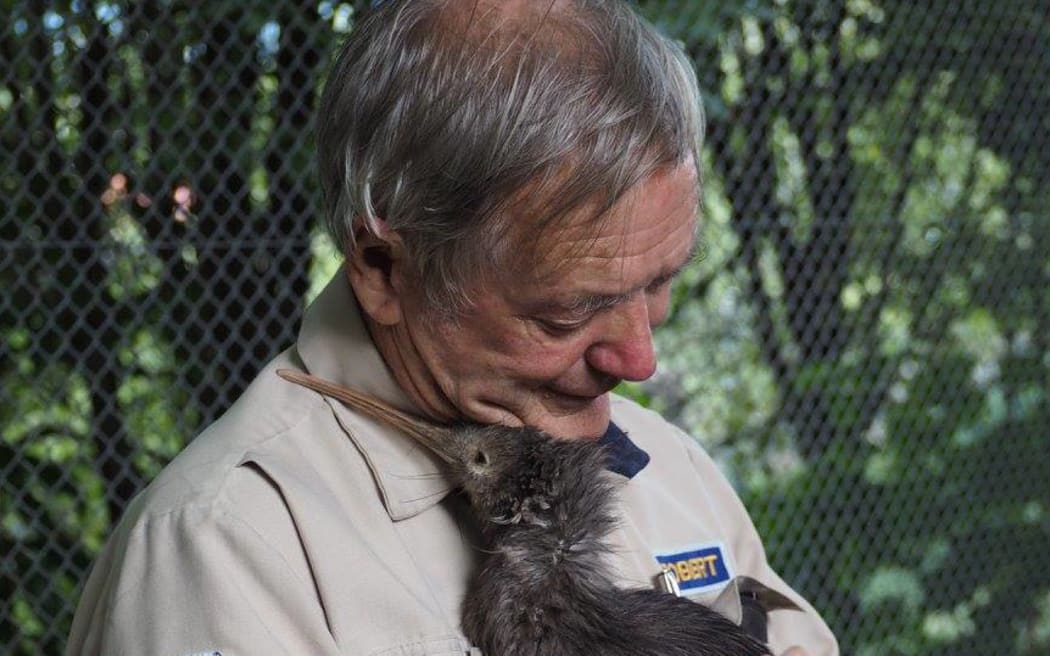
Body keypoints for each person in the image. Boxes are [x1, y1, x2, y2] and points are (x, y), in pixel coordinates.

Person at [67, 1, 839, 654]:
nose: (640, 357)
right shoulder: (226, 550)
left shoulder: (667, 469)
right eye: (567, 311)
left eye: (661, 283)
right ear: (382, 268)